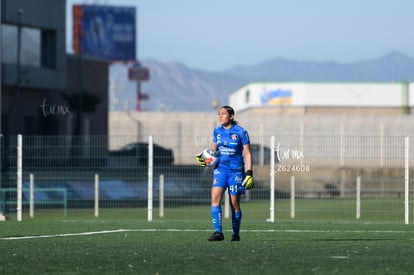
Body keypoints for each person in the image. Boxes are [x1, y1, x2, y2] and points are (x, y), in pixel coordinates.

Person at [196, 105, 255, 241]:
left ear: (231, 116)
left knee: (234, 203)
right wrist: (206, 160)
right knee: (215, 199)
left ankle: (235, 234)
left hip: (236, 172)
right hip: (220, 171)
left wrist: (249, 173)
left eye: (223, 114)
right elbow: (213, 151)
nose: (220, 116)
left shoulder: (241, 132)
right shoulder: (217, 131)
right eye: (219, 114)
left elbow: (247, 153)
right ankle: (218, 232)